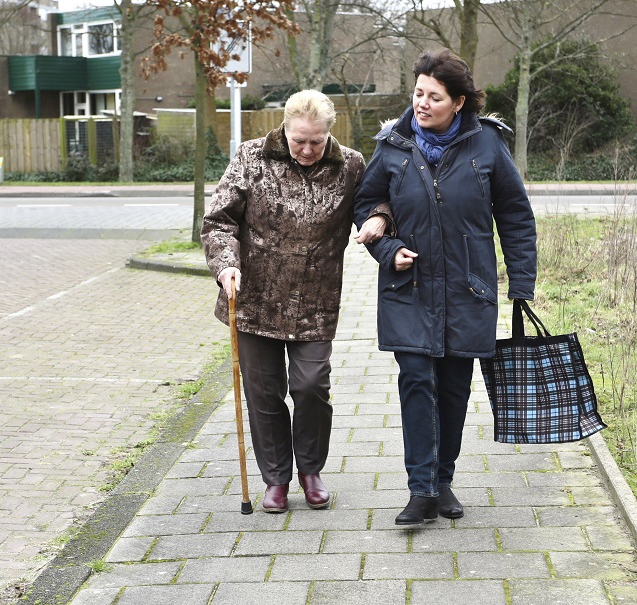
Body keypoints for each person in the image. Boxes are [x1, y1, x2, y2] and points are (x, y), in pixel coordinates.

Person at [353, 49, 538, 526]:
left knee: (454, 388)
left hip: (468, 289)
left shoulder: (487, 144)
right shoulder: (393, 145)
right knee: (417, 381)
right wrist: (386, 247)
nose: (422, 103)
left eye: (434, 97)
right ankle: (421, 490)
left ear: (459, 102)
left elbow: (515, 216)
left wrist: (521, 282)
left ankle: (444, 479)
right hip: (408, 288)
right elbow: (367, 201)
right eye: (418, 93)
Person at [202, 89, 386, 513]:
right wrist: (226, 264)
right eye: (298, 140)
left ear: (329, 134)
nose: (306, 149)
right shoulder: (251, 157)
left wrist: (380, 217)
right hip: (253, 298)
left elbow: (376, 201)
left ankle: (311, 471)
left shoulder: (351, 165)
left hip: (315, 298)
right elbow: (218, 221)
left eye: (315, 141)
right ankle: (276, 480)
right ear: (284, 128)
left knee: (310, 386)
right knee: (264, 393)